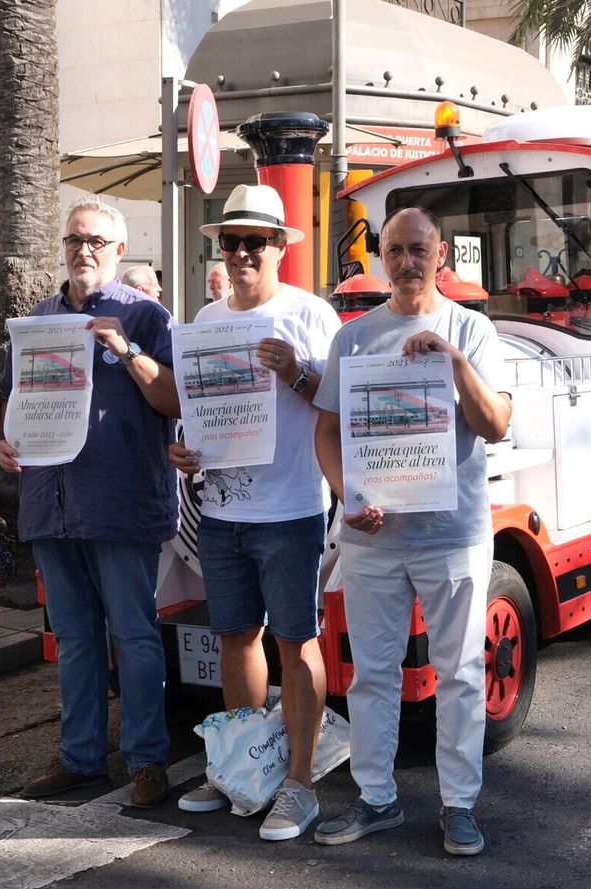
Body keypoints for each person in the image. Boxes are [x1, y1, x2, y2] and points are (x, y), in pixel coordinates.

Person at [310, 207, 512, 857]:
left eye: (417, 249)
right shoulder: (355, 337)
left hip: (452, 535)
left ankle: (459, 805)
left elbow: (495, 424)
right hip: (372, 539)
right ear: (380, 257)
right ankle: (376, 798)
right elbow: (326, 432)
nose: (405, 262)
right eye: (393, 250)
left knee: (458, 673)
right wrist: (347, 493)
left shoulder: (471, 331)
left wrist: (451, 361)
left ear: (441, 253)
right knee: (371, 675)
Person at [167, 185, 341, 840]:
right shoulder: (207, 319)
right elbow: (197, 410)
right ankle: (243, 770)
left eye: (254, 241)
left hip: (291, 507)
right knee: (235, 638)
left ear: (278, 249)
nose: (241, 251)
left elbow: (343, 404)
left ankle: (299, 782)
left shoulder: (311, 315)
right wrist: (187, 451)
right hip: (222, 507)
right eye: (231, 241)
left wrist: (297, 372)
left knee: (296, 642)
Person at [0, 199, 180, 809]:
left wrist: (126, 351)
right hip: (51, 504)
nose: (85, 250)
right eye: (76, 239)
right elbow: (14, 403)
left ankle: (147, 759)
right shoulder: (37, 321)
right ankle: (81, 758)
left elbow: (175, 402)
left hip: (119, 503)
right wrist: (5, 443)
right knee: (74, 640)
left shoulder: (148, 317)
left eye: (98, 241)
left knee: (134, 635)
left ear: (119, 250)